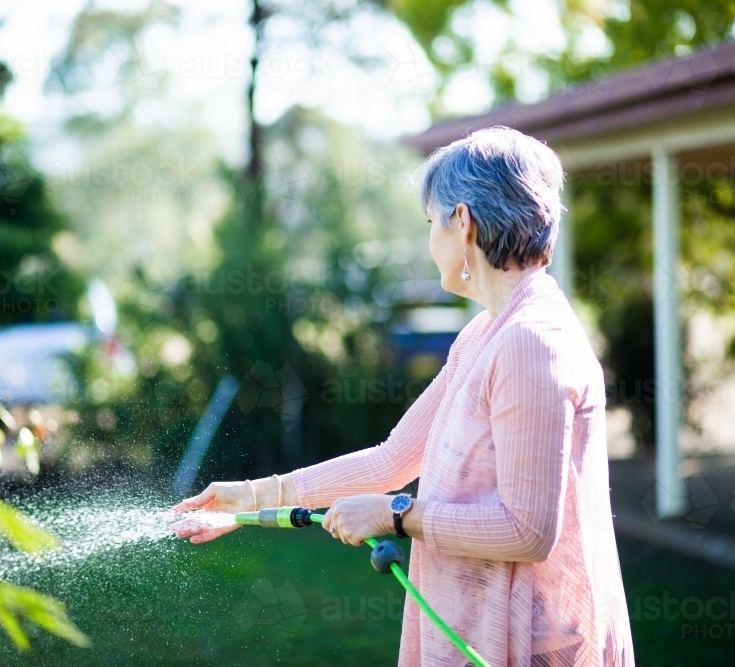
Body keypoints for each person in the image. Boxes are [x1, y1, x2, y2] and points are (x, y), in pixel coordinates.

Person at [171, 126, 635, 667]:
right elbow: (393, 460)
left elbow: (528, 532)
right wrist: (249, 498)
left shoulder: (531, 343)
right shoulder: (485, 335)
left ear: (462, 223)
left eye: (429, 222)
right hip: (484, 623)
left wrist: (396, 516)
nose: (428, 240)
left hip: (528, 644)